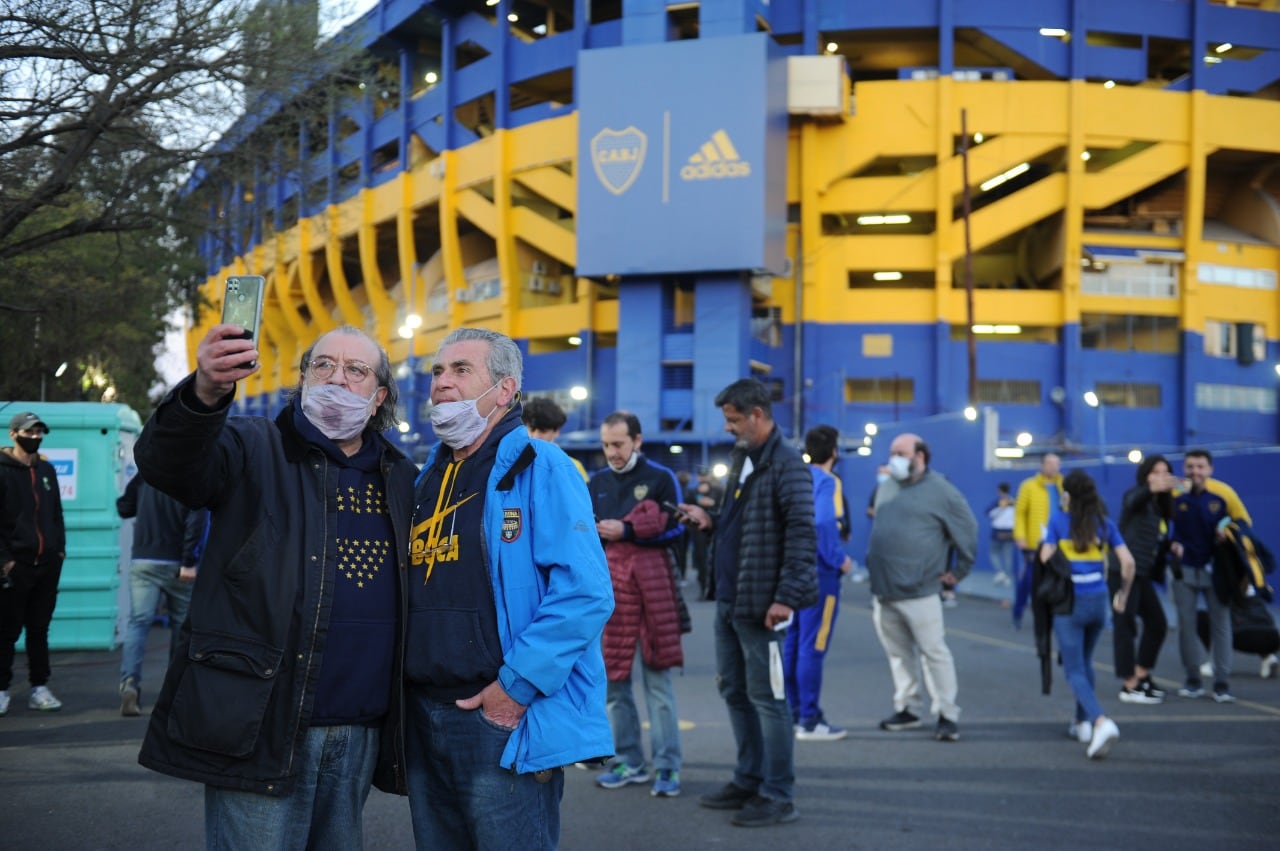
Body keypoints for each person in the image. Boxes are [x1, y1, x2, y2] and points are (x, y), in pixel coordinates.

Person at [132, 323, 417, 849]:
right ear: (303, 379)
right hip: (261, 719)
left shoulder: (401, 476)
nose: (337, 377)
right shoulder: (250, 444)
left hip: (359, 731)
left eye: (356, 370)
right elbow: (167, 464)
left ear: (379, 397)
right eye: (323, 364)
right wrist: (206, 392)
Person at [406, 327, 613, 850]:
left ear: (505, 390)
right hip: (425, 713)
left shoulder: (543, 468)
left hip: (497, 717)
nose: (442, 383)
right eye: (437, 371)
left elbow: (585, 592)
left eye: (460, 370)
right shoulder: (426, 478)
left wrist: (515, 690)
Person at [678, 378, 816, 829]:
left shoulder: (787, 464)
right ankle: (749, 777)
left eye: (734, 419)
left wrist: (785, 598)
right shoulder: (743, 458)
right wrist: (710, 520)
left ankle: (779, 794)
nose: (730, 428)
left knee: (769, 698)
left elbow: (801, 535)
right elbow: (744, 525)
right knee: (735, 691)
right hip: (731, 599)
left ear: (757, 415)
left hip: (763, 605)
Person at [589, 411, 686, 797]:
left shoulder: (661, 478)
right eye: (606, 444)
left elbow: (679, 528)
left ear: (637, 441)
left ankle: (668, 766)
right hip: (611, 594)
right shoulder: (595, 482)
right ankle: (629, 759)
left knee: (658, 683)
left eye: (619, 444)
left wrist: (627, 530)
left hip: (653, 593)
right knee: (615, 684)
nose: (612, 452)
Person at [867, 433, 976, 743]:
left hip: (921, 591)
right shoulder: (886, 486)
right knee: (898, 656)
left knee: (934, 654)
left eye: (900, 453)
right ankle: (909, 708)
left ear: (920, 457)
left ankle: (946, 714)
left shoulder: (942, 491)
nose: (894, 458)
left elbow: (967, 531)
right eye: (891, 453)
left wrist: (959, 571)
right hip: (884, 592)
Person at [1038, 470, 1135, 760]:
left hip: (1070, 602)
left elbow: (1044, 558)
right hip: (1098, 599)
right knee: (1086, 662)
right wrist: (1123, 595)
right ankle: (1081, 724)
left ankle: (1100, 721)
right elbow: (1128, 563)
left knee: (1074, 669)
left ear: (1067, 495)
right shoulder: (1104, 524)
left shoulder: (1058, 521)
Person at [114, 474, 209, 717]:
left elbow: (124, 507)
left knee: (138, 623)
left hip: (143, 559)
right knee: (181, 626)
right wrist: (190, 560)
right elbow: (197, 520)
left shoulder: (146, 474)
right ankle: (174, 689)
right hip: (178, 563)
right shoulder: (190, 477)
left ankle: (130, 684)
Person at [785, 425, 853, 742]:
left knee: (794, 642)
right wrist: (838, 558)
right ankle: (809, 720)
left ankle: (795, 712)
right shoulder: (828, 481)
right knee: (814, 645)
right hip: (821, 573)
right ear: (835, 452)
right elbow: (825, 521)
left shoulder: (796, 476)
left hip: (794, 570)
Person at [1170, 448, 1252, 703]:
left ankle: (1221, 682)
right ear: (1184, 468)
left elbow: (1244, 524)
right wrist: (1170, 544)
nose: (1195, 471)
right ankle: (1193, 678)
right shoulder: (1175, 493)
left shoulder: (1224, 493)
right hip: (1184, 568)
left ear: (1210, 469)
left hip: (1217, 569)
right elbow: (1162, 525)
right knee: (1185, 624)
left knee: (1221, 624)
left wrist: (1227, 532)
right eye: (1190, 466)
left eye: (1200, 467)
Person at [0, 411, 67, 716]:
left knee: (39, 628)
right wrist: (6, 561)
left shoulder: (47, 471)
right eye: (29, 432)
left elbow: (56, 515)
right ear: (14, 434)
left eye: (39, 432)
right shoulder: (2, 471)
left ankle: (39, 687)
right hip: (16, 566)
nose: (35, 437)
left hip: (47, 565)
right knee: (7, 631)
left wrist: (59, 551)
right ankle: (2, 689)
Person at [1113, 455, 1174, 705]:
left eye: (1165, 472)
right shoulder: (1136, 497)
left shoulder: (1160, 506)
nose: (1160, 476)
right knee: (1125, 625)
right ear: (1145, 475)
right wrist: (1150, 489)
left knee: (1158, 623)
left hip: (1142, 573)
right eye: (1155, 472)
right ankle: (1129, 686)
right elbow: (1132, 501)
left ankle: (1142, 675)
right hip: (1123, 571)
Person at [1013, 453, 1064, 626]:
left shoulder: (1063, 486)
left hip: (1058, 542)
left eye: (1057, 463)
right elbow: (1020, 513)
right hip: (1035, 542)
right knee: (1029, 579)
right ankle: (1018, 611)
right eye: (1050, 463)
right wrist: (1020, 536)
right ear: (1042, 465)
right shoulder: (1028, 486)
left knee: (1058, 578)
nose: (1054, 467)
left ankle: (1051, 616)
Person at [522, 395, 588, 482]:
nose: (535, 436)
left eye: (543, 431)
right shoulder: (513, 464)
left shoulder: (573, 466)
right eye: (531, 429)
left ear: (557, 431)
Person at [987, 482, 1016, 591]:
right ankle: (1007, 576)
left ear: (999, 490)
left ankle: (1000, 572)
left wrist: (1000, 507)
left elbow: (990, 513)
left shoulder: (999, 502)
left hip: (998, 531)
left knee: (993, 553)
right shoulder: (1014, 501)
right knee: (1007, 555)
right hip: (1010, 531)